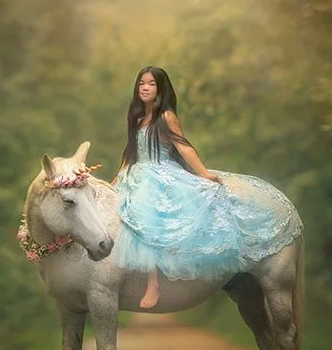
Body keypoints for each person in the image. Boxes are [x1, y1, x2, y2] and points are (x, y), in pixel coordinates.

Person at [111, 66, 303, 309]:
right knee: (119, 220)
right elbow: (130, 154)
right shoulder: (138, 118)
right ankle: (122, 278)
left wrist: (202, 173)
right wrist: (115, 181)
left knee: (149, 219)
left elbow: (183, 147)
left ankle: (154, 283)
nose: (145, 87)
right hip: (137, 173)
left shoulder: (166, 117)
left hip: (160, 174)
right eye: (141, 83)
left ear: (161, 89)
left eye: (151, 84)